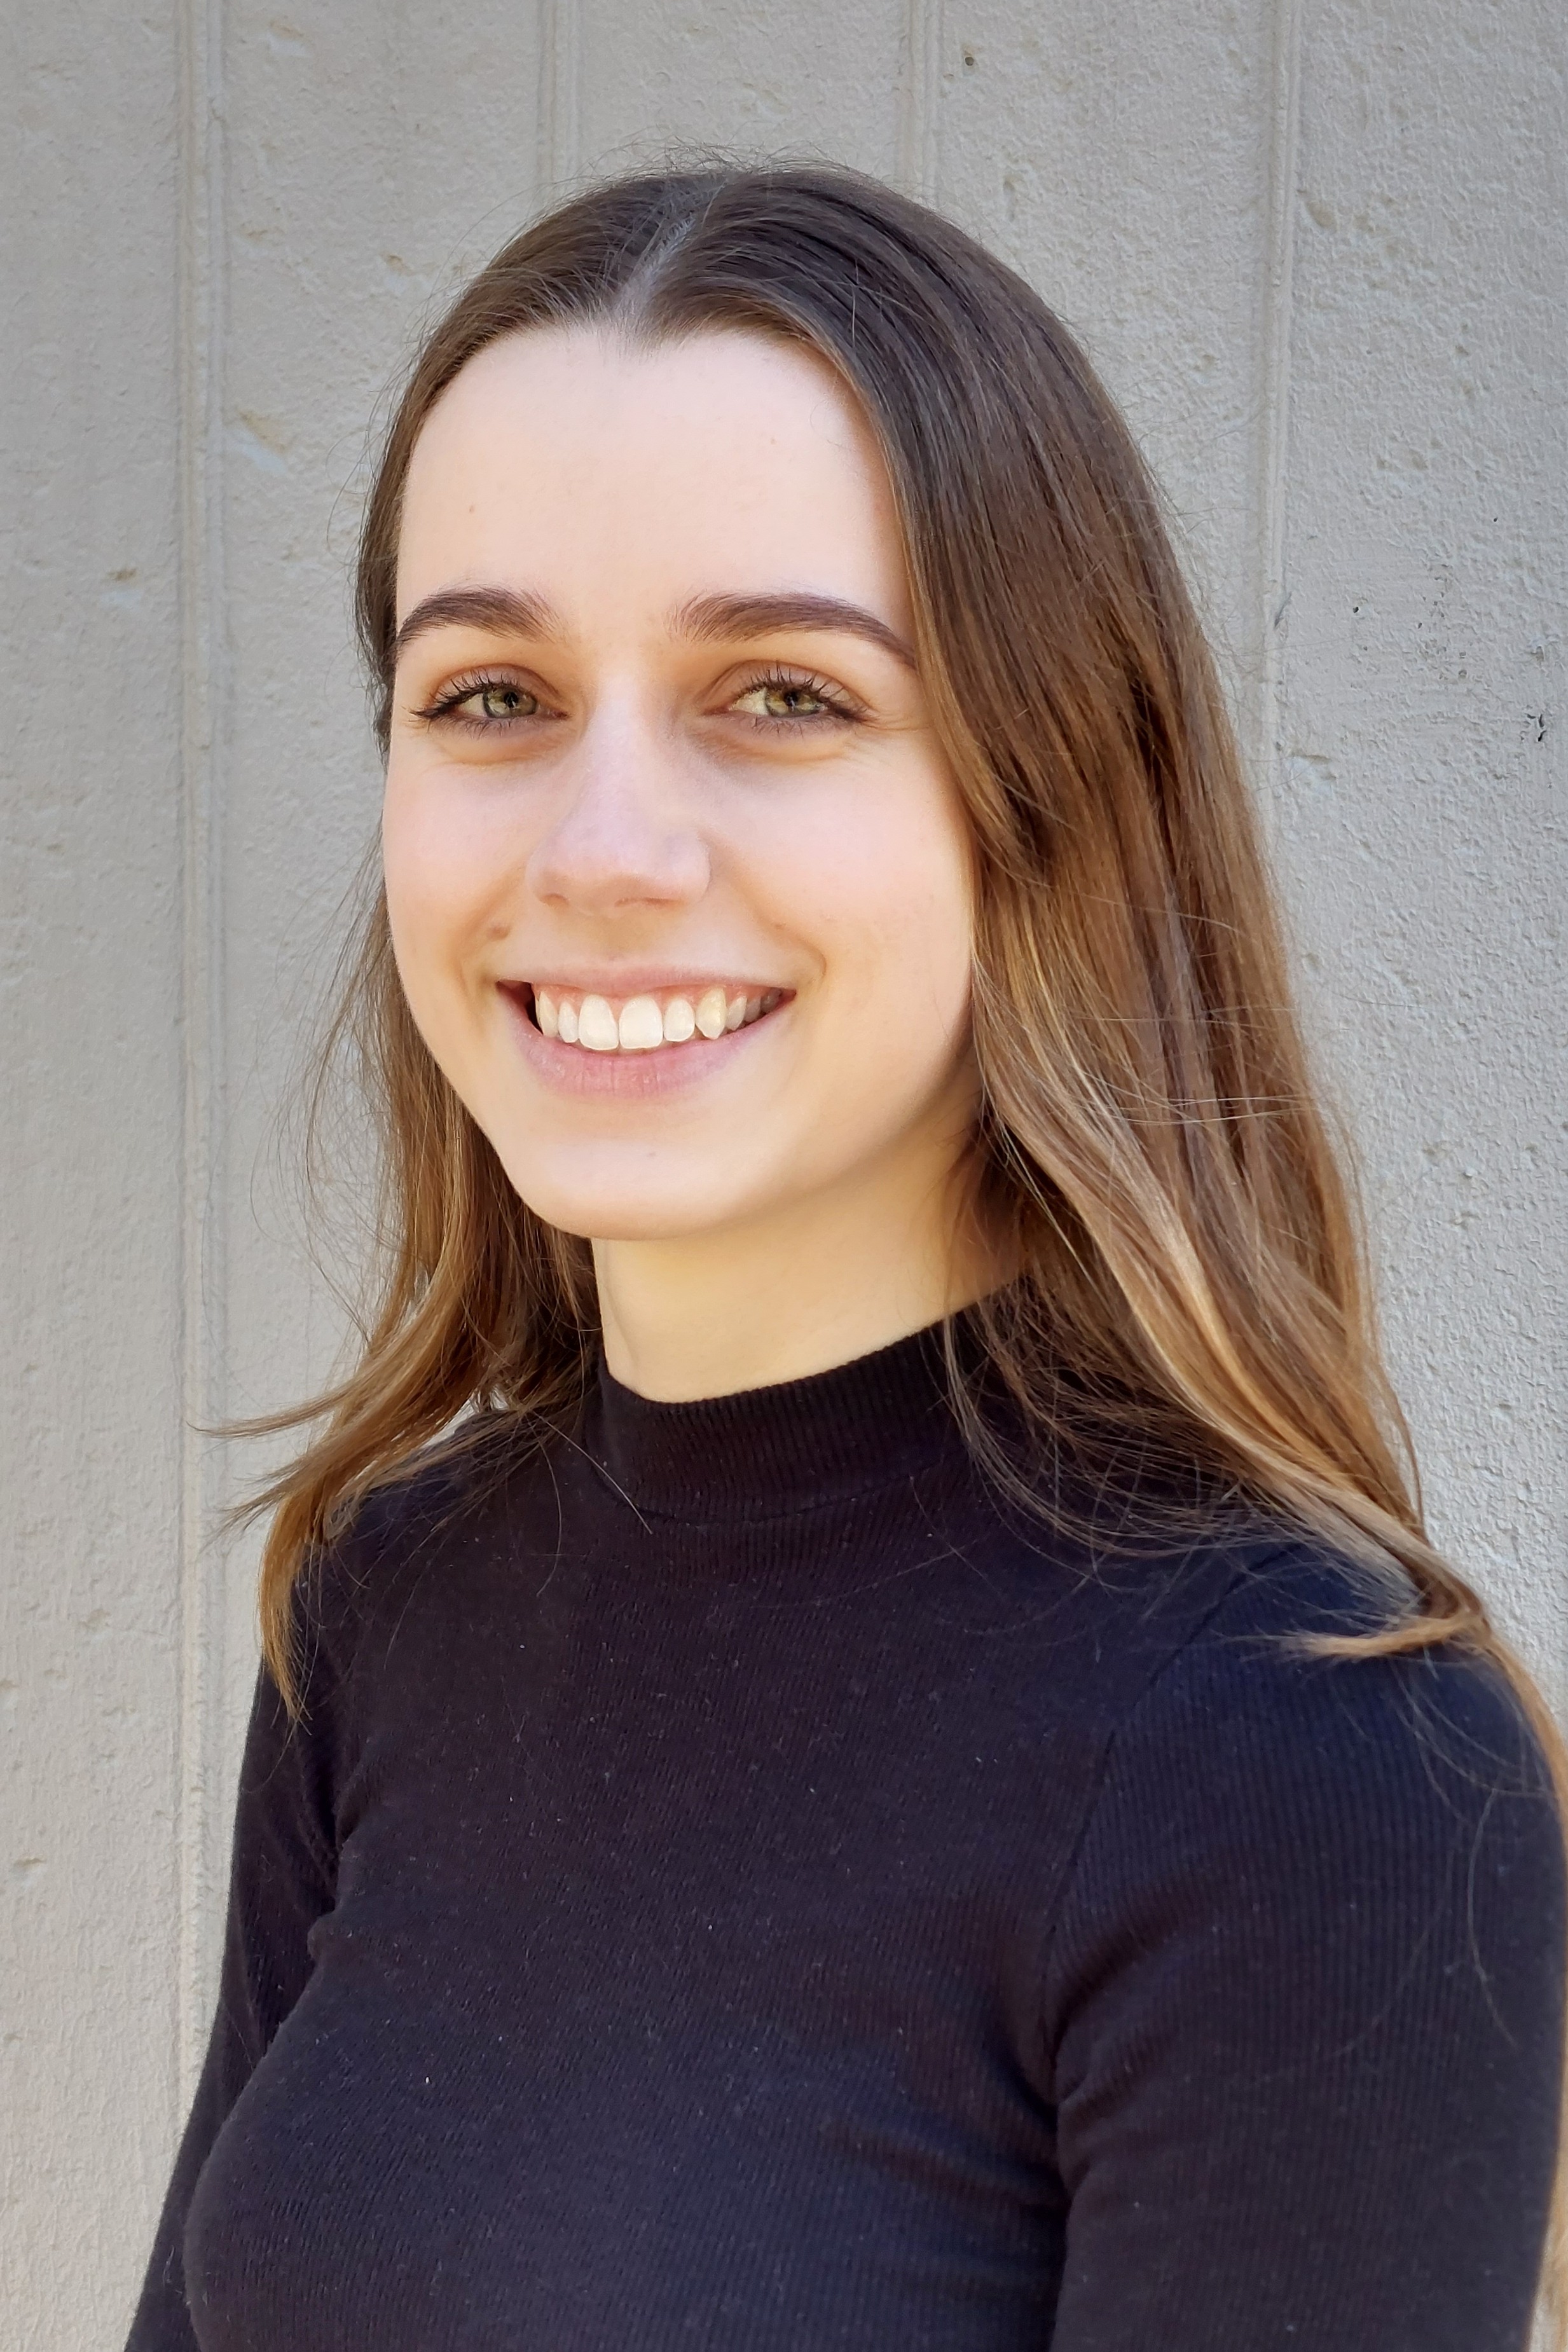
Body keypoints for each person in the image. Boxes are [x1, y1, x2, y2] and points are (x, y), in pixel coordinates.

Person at [126, 163, 1565, 2352]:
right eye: (492, 695)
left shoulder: (1314, 1767)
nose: (602, 850)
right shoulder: (383, 1604)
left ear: (1047, 798)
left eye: (782, 694)